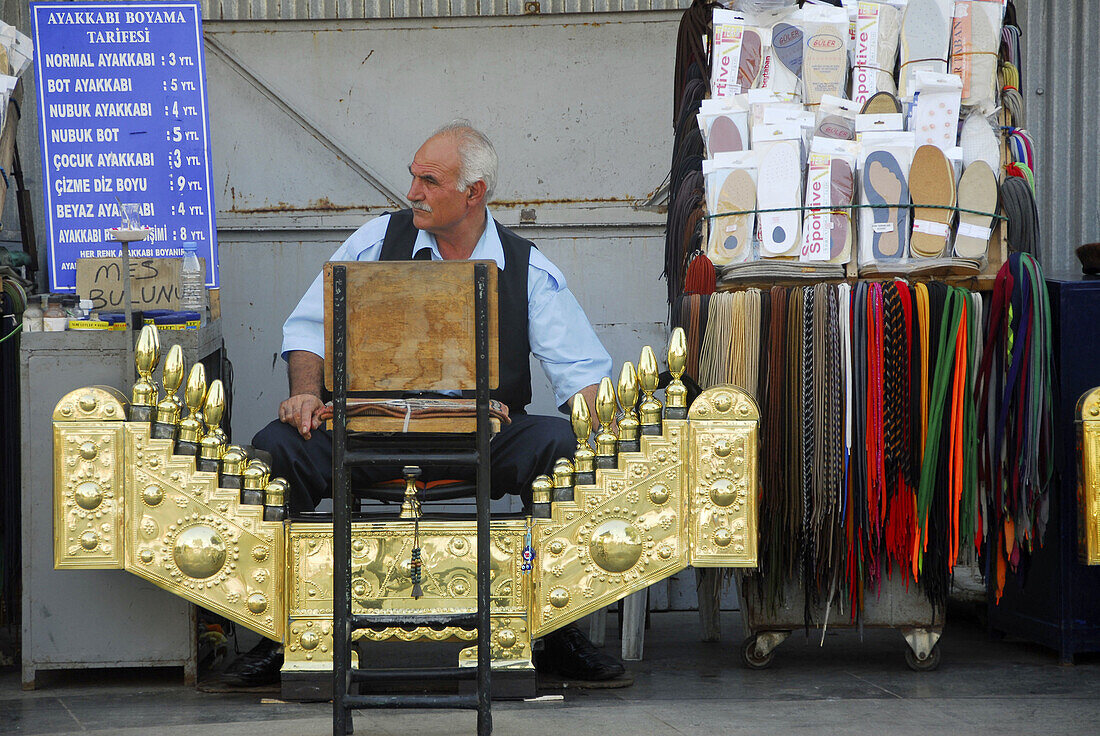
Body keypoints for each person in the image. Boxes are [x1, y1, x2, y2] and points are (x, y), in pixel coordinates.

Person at [225, 121, 625, 686]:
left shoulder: (525, 267)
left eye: (429, 181)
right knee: (276, 448)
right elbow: (308, 329)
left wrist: (604, 433)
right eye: (413, 177)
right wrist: (307, 395)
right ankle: (282, 632)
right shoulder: (374, 242)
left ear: (474, 192)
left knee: (561, 447)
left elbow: (582, 371)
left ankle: (554, 627)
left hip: (478, 437)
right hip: (368, 432)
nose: (412, 192)